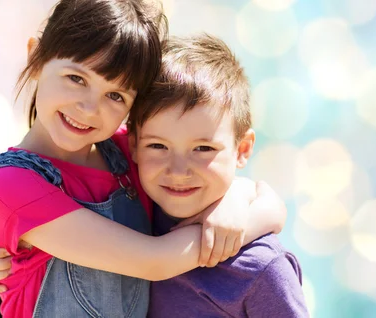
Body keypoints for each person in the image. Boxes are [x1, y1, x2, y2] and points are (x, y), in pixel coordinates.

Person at [0, 0, 286, 317]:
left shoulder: (128, 151)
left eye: (116, 95)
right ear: (36, 58)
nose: (90, 108)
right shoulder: (13, 185)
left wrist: (235, 198)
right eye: (76, 78)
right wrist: (238, 229)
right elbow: (154, 260)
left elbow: (262, 198)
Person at [127, 34, 309, 317]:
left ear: (242, 149)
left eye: (202, 148)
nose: (177, 170)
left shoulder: (262, 269)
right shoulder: (128, 217)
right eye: (158, 146)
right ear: (134, 145)